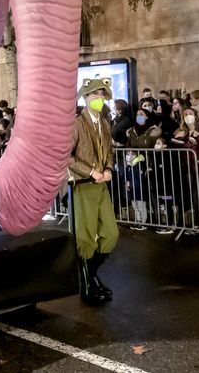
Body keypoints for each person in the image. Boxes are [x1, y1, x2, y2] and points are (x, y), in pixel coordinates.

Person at [69, 78, 119, 306]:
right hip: (83, 185)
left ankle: (91, 275)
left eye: (101, 95)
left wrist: (108, 168)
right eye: (93, 95)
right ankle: (88, 286)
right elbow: (66, 156)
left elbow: (109, 150)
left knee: (110, 234)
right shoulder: (76, 124)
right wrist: (90, 172)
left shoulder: (105, 124)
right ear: (85, 98)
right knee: (86, 238)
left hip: (101, 185)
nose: (98, 99)